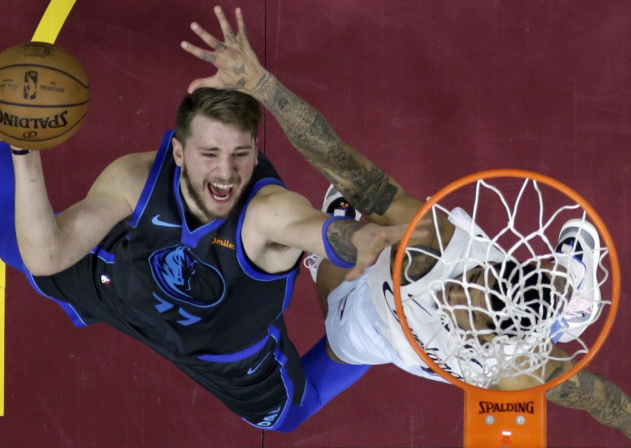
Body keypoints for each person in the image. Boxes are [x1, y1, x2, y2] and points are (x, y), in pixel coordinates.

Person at [0, 7, 430, 433]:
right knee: (19, 248)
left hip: (221, 349)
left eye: (241, 155)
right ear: (176, 153)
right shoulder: (134, 179)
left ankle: (384, 325)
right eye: (208, 155)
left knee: (284, 416)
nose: (226, 173)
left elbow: (314, 231)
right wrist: (23, 149)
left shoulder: (266, 212)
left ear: (256, 153)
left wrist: (354, 237)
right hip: (127, 288)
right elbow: (49, 255)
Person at [180, 6, 631, 439]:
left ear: (491, 335)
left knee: (286, 410)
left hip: (388, 339)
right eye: (471, 278)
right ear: (488, 268)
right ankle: (566, 280)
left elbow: (601, 400)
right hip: (384, 304)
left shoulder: (516, 370)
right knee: (341, 256)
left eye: (463, 303)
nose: (453, 289)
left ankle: (569, 294)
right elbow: (340, 160)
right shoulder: (434, 247)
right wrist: (263, 86)